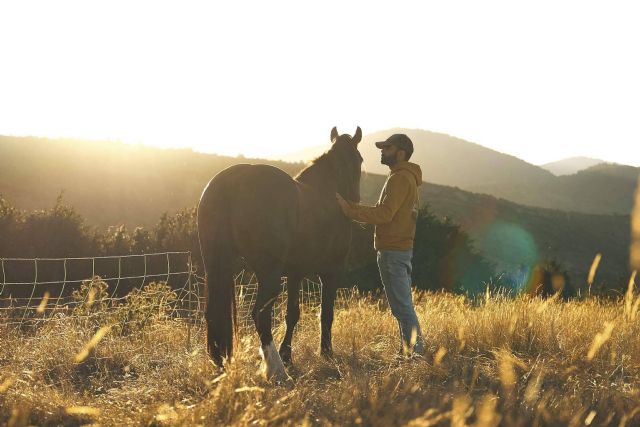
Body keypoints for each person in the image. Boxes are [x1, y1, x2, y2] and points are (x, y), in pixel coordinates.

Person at [336, 133, 425, 355]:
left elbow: (385, 214)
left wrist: (350, 211)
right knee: (401, 307)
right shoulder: (405, 177)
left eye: (388, 148)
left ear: (401, 153)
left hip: (393, 251)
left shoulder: (400, 178)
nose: (382, 151)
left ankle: (415, 354)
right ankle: (409, 352)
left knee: (402, 307)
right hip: (397, 249)